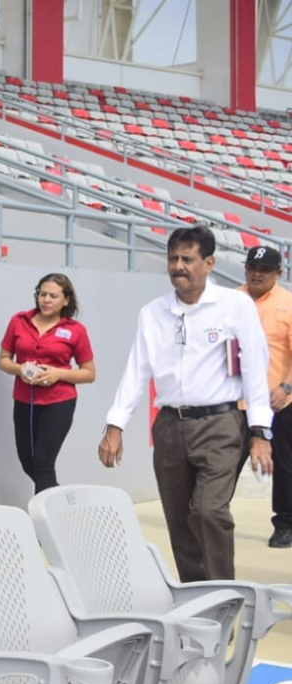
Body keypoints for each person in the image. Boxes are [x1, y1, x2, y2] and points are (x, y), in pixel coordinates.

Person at [99, 226, 273, 582]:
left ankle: (224, 595)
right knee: (179, 521)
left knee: (209, 512)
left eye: (187, 259)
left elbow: (256, 369)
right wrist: (115, 425)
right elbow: (136, 370)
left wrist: (260, 432)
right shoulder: (153, 312)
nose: (179, 266)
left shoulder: (235, 306)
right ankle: (199, 603)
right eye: (173, 258)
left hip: (220, 425)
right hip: (169, 427)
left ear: (209, 263)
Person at [0, 273, 96, 492]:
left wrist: (57, 374)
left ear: (66, 300)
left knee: (43, 465)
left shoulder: (75, 330)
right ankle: (61, 504)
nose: (46, 300)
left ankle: (43, 521)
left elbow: (89, 373)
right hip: (24, 400)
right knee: (27, 462)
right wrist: (19, 368)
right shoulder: (18, 321)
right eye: (43, 294)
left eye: (53, 296)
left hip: (58, 402)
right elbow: (3, 361)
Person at [240, 246, 292, 548]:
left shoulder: (288, 303)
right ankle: (210, 516)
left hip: (278, 400)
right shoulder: (232, 299)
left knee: (284, 465)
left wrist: (286, 387)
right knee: (225, 461)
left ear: (279, 274)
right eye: (252, 268)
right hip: (237, 401)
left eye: (265, 270)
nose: (257, 274)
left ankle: (285, 523)